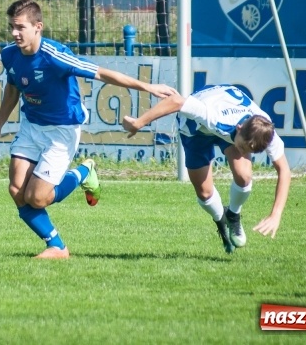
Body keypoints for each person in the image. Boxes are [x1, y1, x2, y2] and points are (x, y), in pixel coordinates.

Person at [0, 0, 178, 259]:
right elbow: (13, 88)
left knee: (37, 198)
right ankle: (57, 247)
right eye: (12, 27)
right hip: (32, 126)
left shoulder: (56, 56)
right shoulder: (9, 54)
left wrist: (149, 88)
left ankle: (84, 172)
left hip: (62, 130)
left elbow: (103, 74)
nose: (15, 33)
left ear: (37, 27)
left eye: (20, 27)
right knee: (17, 190)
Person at [122, 84, 291, 254]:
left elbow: (284, 170)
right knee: (204, 192)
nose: (244, 153)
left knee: (244, 175)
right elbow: (175, 101)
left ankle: (233, 215)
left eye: (249, 151)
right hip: (195, 130)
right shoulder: (214, 116)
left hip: (229, 118)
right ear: (239, 129)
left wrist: (276, 214)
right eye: (243, 148)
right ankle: (221, 222)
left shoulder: (265, 132)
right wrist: (139, 122)